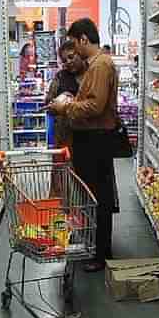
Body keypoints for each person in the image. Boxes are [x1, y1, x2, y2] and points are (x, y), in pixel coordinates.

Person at [49, 18, 118, 272]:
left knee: (98, 197)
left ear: (84, 39)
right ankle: (98, 247)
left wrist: (66, 106)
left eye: (76, 45)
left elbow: (95, 106)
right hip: (92, 137)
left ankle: (100, 254)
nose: (74, 52)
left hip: (96, 139)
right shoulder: (97, 65)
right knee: (96, 195)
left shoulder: (100, 66)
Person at [45, 40, 87, 151]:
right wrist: (58, 102)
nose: (68, 62)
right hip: (65, 137)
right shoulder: (60, 77)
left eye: (71, 57)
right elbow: (49, 103)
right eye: (64, 60)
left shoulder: (92, 74)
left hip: (89, 135)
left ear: (80, 53)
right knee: (65, 167)